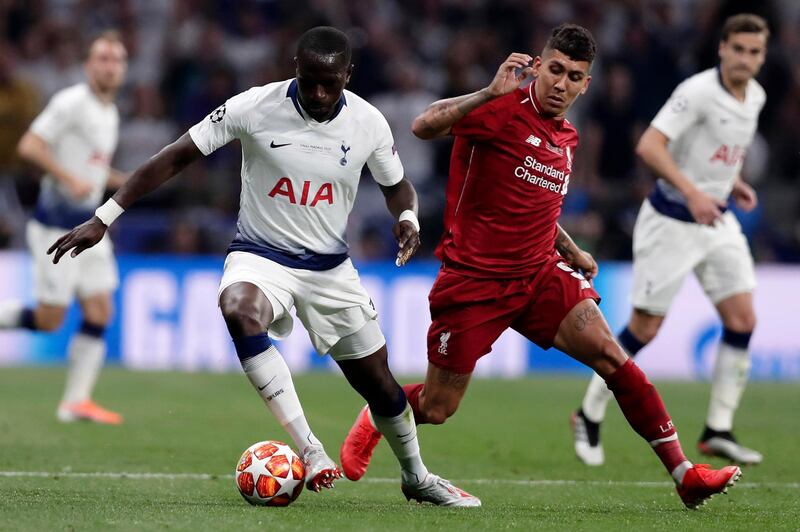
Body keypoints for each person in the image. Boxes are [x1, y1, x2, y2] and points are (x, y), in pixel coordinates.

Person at [48, 26, 479, 506]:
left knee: (379, 385)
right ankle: (310, 448)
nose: (318, 93)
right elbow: (174, 157)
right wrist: (105, 217)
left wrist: (406, 217)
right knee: (238, 307)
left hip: (331, 270)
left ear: (348, 76)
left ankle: (416, 476)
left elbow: (397, 184)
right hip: (260, 254)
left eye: (329, 83)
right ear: (295, 68)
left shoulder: (369, 123)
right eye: (309, 79)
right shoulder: (254, 106)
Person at [340, 24, 741, 509]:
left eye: (574, 76)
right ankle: (378, 412)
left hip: (539, 276)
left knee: (614, 359)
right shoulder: (499, 108)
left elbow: (533, 203)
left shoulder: (567, 135)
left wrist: (570, 250)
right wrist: (489, 91)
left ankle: (684, 474)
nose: (562, 84)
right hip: (474, 282)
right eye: (555, 70)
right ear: (538, 65)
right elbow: (424, 125)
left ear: (586, 83)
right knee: (439, 407)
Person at [572, 13, 768, 467]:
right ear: (722, 48)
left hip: (715, 220)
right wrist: (695, 191)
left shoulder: (754, 96)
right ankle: (588, 411)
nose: (745, 59)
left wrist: (730, 181)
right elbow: (650, 146)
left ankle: (718, 428)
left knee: (742, 318)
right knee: (645, 329)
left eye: (754, 52)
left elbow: (717, 149)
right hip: (672, 220)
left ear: (761, 56)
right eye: (737, 49)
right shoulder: (697, 92)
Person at [0, 32, 129, 424]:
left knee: (101, 309)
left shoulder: (110, 113)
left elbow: (92, 168)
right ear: (89, 65)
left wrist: (123, 180)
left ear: (123, 69)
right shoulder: (71, 102)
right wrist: (66, 176)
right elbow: (30, 146)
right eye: (102, 58)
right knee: (49, 320)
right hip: (55, 227)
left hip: (90, 227)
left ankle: (76, 402)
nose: (109, 65)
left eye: (116, 60)